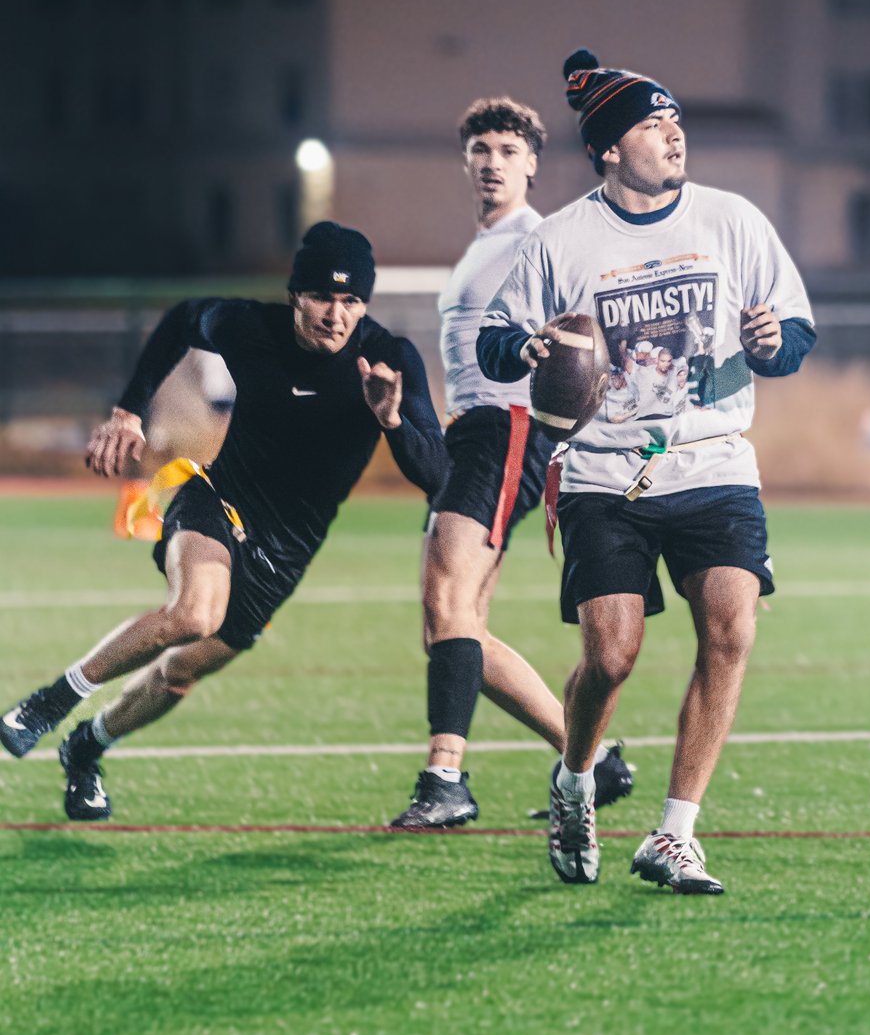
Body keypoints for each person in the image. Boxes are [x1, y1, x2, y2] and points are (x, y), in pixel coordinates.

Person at [477, 49, 817, 894]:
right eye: (651, 122)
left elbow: (797, 331)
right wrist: (528, 347)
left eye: (675, 119)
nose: (673, 132)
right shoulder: (561, 241)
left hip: (713, 459)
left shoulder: (732, 220)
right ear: (608, 150)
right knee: (613, 657)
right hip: (604, 475)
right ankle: (576, 778)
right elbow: (495, 339)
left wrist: (776, 344)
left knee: (731, 630)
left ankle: (675, 834)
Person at [0, 222, 447, 821]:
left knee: (178, 675)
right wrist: (130, 409)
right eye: (322, 297)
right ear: (296, 295)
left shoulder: (389, 359)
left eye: (351, 301)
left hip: (284, 553)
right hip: (219, 499)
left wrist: (392, 420)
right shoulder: (249, 327)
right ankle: (46, 704)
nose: (336, 316)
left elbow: (437, 476)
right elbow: (184, 317)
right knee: (193, 613)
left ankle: (87, 747)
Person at [390, 97, 632, 829]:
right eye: (481, 151)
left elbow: (596, 329)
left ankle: (445, 780)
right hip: (475, 433)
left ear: (532, 162)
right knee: (456, 624)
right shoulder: (480, 246)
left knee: (446, 604)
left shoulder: (541, 238)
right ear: (466, 163)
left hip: (509, 427)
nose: (492, 162)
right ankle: (594, 760)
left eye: (507, 149)